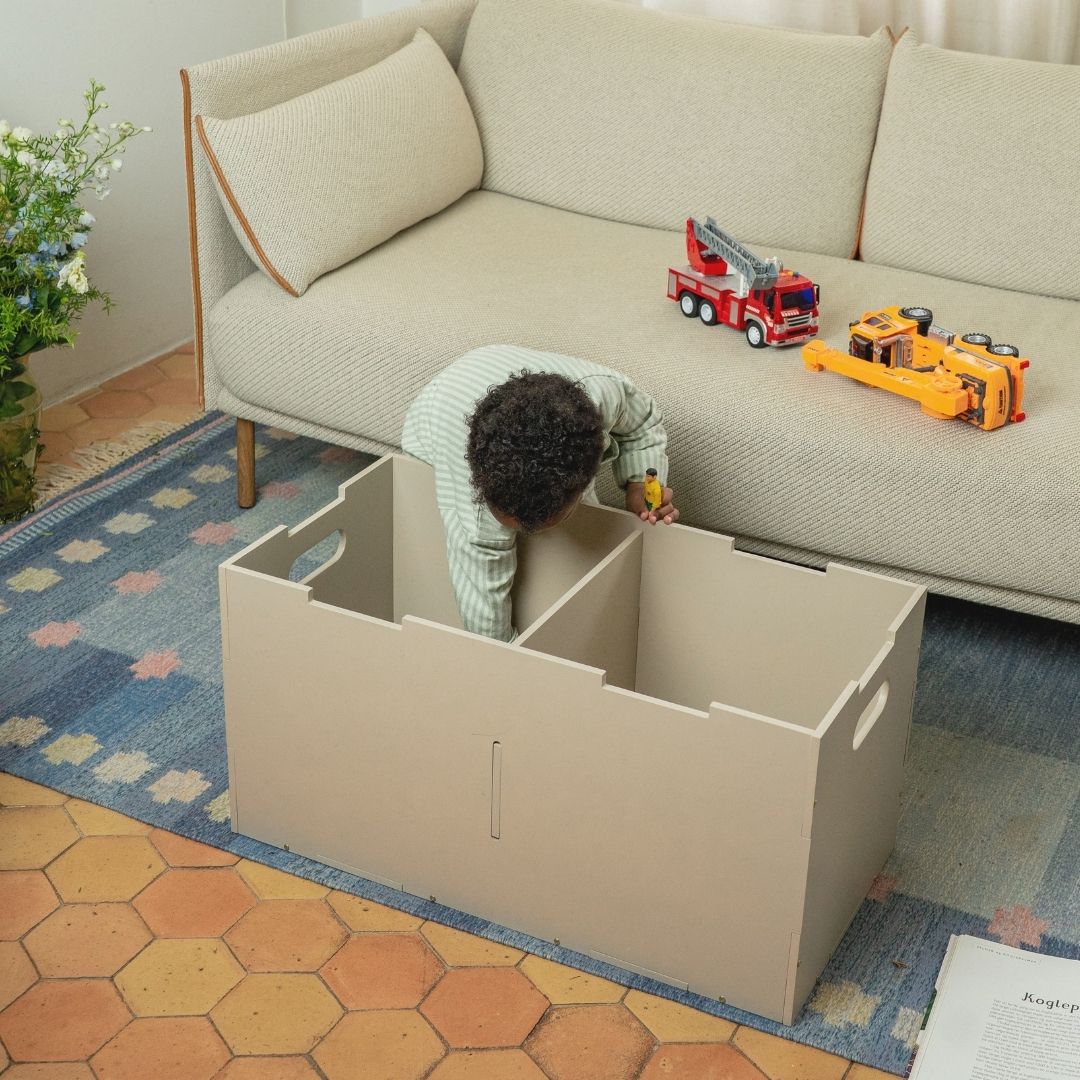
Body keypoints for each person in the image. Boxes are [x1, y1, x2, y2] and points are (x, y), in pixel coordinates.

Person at [401, 345, 677, 642]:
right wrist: (507, 660)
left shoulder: (606, 394)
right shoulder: (470, 491)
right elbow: (481, 601)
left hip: (489, 378)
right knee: (470, 540)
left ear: (586, 479)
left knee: (575, 540)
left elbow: (642, 425)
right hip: (434, 425)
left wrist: (640, 482)